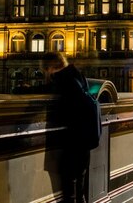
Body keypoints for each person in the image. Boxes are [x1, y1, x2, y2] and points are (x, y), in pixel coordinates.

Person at [41, 51, 92, 203]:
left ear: (50, 67)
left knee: (68, 190)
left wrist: (20, 89)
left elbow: (46, 91)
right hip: (84, 141)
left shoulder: (63, 79)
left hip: (70, 142)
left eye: (46, 70)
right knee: (79, 189)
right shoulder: (78, 76)